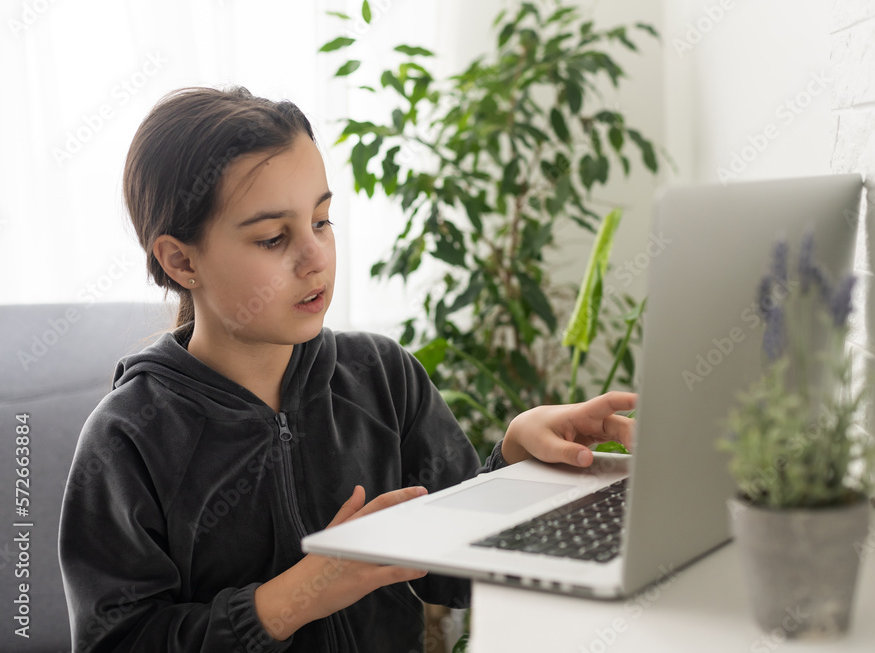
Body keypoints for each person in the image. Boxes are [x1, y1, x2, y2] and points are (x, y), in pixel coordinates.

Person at [57, 85, 636, 653]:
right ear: (181, 260)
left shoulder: (383, 376)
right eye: (272, 238)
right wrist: (300, 594)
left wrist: (515, 460)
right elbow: (117, 639)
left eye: (322, 221)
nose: (315, 258)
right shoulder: (126, 439)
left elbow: (454, 574)